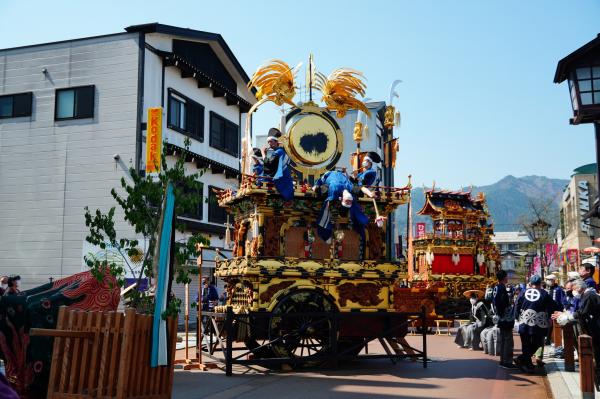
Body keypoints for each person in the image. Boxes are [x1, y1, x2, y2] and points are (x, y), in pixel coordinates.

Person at [553, 279, 600, 387]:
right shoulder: (586, 295)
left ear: (580, 288)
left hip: (596, 328)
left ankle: (597, 379)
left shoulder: (589, 295)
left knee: (597, 354)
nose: (573, 292)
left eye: (573, 289)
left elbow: (583, 312)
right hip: (593, 328)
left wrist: (569, 317)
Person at [514, 275, 562, 373]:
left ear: (531, 284)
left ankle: (524, 361)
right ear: (540, 284)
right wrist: (558, 311)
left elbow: (517, 305)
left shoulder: (523, 292)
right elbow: (553, 306)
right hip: (538, 324)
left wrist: (516, 318)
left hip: (524, 321)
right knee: (538, 343)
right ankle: (527, 364)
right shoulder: (544, 294)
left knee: (525, 344)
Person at [312, 170, 374, 243]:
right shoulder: (334, 188)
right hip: (330, 184)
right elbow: (329, 202)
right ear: (341, 199)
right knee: (326, 208)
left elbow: (362, 188)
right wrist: (334, 220)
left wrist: (370, 194)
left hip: (341, 183)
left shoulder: (350, 186)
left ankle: (361, 222)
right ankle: (325, 234)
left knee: (354, 205)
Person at [493, 270, 518, 369]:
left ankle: (502, 360)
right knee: (508, 340)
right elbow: (503, 304)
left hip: (500, 317)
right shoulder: (502, 288)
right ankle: (507, 361)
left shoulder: (496, 287)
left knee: (503, 339)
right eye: (506, 276)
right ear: (504, 278)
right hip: (505, 318)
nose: (508, 278)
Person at [262, 129, 294, 201]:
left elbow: (269, 164)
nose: (269, 143)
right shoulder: (275, 152)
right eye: (268, 142)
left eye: (271, 141)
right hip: (279, 179)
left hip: (282, 180)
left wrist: (263, 154)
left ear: (276, 142)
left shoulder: (279, 152)